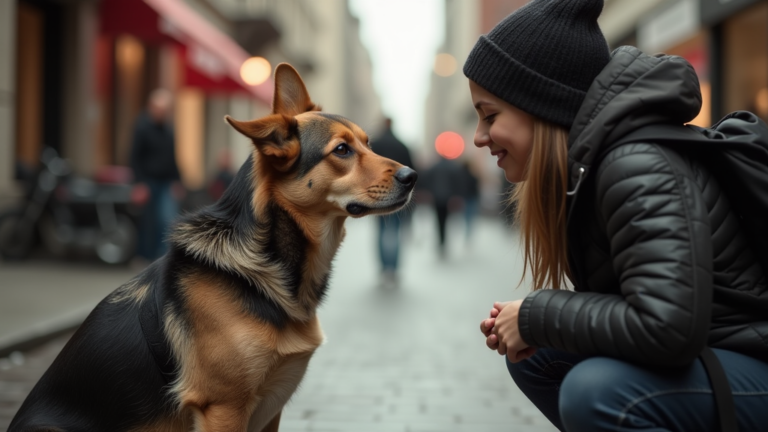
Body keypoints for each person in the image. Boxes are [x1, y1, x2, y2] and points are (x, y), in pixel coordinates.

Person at [463, 0, 768, 430]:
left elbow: (667, 329)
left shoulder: (635, 165)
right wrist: (536, 325)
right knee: (538, 359)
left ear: (543, 103)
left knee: (597, 391)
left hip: (754, 364)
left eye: (490, 116)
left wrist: (536, 315)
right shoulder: (591, 168)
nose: (479, 138)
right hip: (722, 354)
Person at [130, 89, 182, 262]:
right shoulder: (142, 128)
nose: (162, 113)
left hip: (166, 181)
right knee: (148, 220)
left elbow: (173, 157)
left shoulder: (168, 129)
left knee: (167, 219)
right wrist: (139, 183)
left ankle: (163, 258)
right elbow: (134, 157)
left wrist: (177, 181)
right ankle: (144, 255)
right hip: (149, 181)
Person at [371, 117, 414, 285]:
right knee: (395, 233)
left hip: (378, 195)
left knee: (381, 232)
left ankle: (383, 268)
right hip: (399, 196)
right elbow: (411, 171)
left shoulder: (376, 144)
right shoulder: (402, 145)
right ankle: (393, 269)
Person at [422, 155, 463, 259]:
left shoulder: (434, 167)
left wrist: (429, 192)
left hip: (436, 197)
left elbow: (426, 178)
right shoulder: (452, 167)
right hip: (448, 198)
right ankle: (443, 241)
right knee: (445, 220)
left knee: (439, 221)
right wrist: (456, 196)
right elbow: (458, 182)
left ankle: (441, 241)